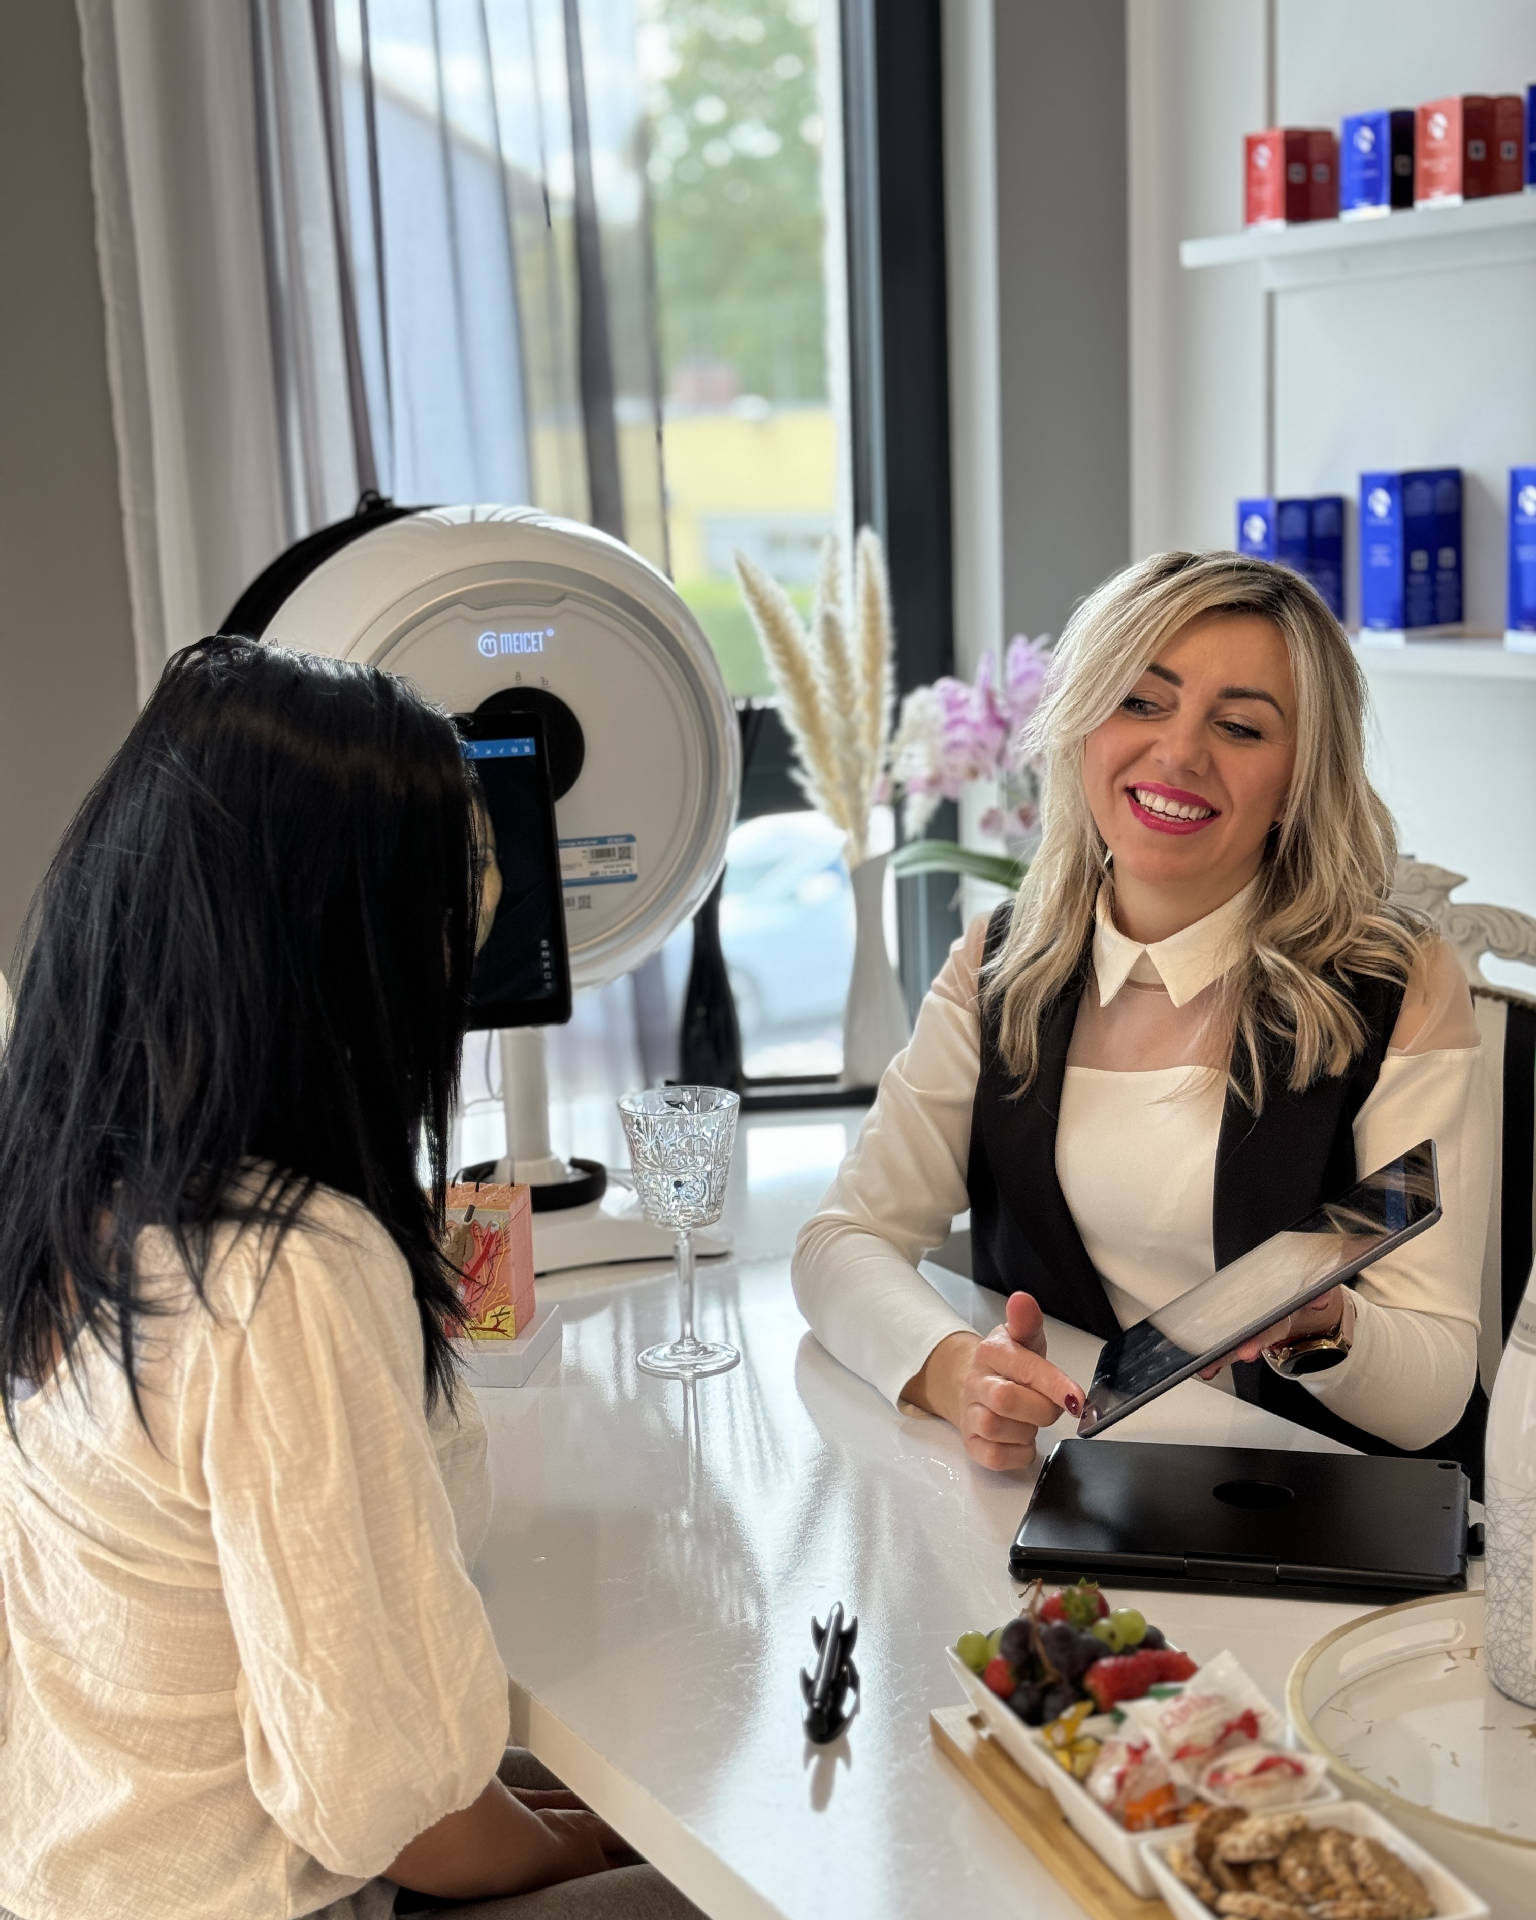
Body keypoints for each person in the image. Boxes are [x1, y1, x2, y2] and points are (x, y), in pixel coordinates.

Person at [0, 638, 698, 1920]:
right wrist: (600, 1856)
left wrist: (574, 1821)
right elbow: (397, 1810)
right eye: (447, 906)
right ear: (339, 946)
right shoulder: (280, 1270)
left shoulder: (68, 1191)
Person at [793, 552, 1492, 1475]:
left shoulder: (1396, 983)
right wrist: (958, 1372)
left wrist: (1325, 1326)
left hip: (1318, 1516)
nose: (1180, 753)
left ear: (1299, 780)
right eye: (1140, 701)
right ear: (1083, 723)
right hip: (1065, 1502)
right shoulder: (998, 964)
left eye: (1240, 726)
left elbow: (1435, 1392)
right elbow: (840, 1241)